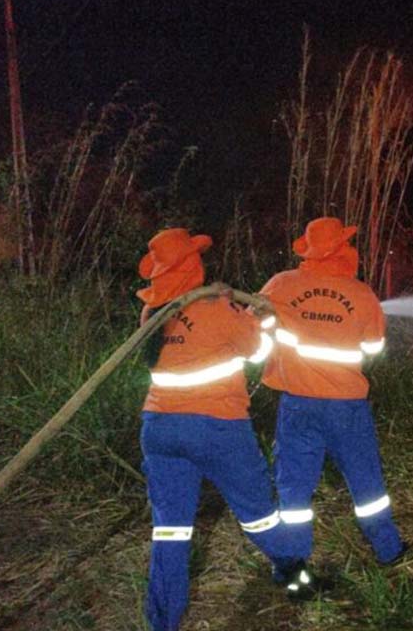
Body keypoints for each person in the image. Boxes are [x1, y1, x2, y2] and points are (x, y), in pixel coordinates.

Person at [136, 228, 313, 631]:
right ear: (192, 263)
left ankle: (161, 621)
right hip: (218, 429)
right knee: (259, 516)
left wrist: (230, 306)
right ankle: (294, 570)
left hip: (159, 429)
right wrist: (261, 320)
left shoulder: (153, 313)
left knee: (171, 529)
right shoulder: (217, 310)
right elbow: (257, 352)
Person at [259, 217, 406, 575]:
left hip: (297, 403)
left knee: (293, 489)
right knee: (366, 481)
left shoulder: (281, 285)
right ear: (343, 250)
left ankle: (290, 566)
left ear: (308, 250)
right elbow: (373, 348)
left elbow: (256, 328)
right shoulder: (362, 294)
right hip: (346, 408)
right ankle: (389, 550)